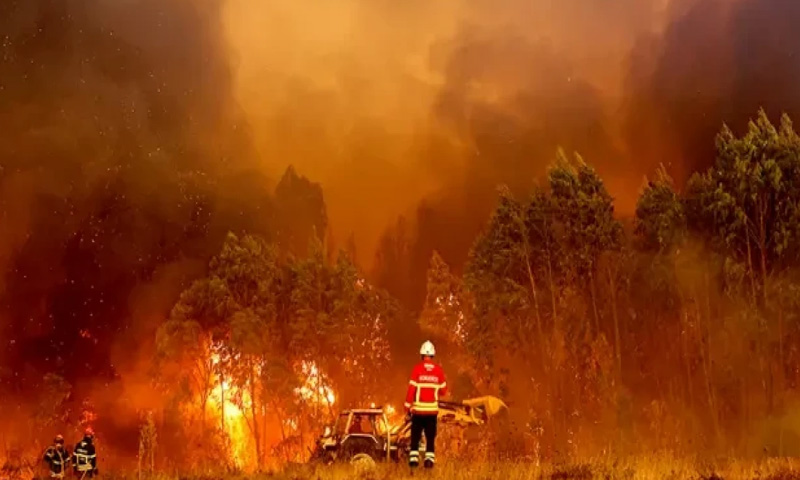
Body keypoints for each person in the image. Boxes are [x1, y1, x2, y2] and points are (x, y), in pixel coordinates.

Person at [404, 340, 447, 470]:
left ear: (422, 355)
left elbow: (411, 390)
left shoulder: (417, 369)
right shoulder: (438, 371)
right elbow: (443, 391)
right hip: (432, 412)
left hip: (418, 412)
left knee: (415, 437)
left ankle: (413, 461)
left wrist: (407, 406)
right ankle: (429, 462)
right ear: (432, 355)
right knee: (430, 437)